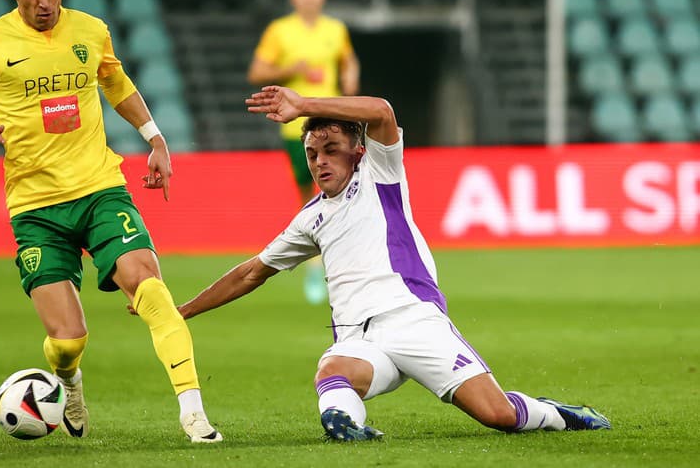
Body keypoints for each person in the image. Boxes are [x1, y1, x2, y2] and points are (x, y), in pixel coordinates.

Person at [176, 85, 611, 441]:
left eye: (330, 149)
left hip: (415, 320)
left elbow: (382, 110)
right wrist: (184, 312)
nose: (320, 161)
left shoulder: (380, 176)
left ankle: (557, 414)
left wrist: (304, 105)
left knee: (499, 416)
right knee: (331, 371)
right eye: (312, 153)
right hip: (360, 338)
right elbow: (252, 271)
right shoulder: (310, 219)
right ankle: (349, 427)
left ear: (358, 151)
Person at [0, 0, 221, 443]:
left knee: (151, 288)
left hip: (100, 189)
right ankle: (68, 381)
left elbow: (116, 83)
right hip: (36, 208)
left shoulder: (91, 31)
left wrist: (155, 139)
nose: (44, 3)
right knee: (68, 340)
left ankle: (193, 412)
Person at [247, 0, 360, 305]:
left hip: (335, 123)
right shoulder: (280, 32)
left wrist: (350, 79)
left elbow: (349, 60)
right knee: (310, 196)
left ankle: (342, 262)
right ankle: (314, 265)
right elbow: (257, 71)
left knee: (347, 190)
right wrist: (289, 70)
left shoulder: (335, 30)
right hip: (296, 128)